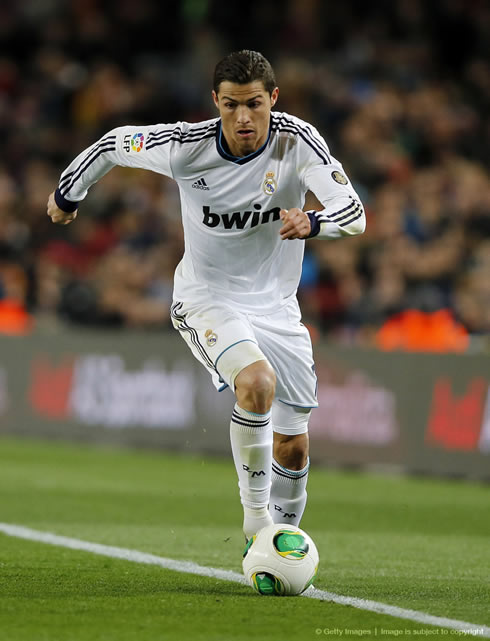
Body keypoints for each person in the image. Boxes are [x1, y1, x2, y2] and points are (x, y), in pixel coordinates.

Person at [47, 50, 365, 540]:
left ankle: (278, 549)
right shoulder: (184, 146)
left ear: (273, 99)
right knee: (256, 383)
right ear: (214, 101)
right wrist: (69, 194)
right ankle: (257, 524)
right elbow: (113, 144)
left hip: (277, 308)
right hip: (207, 297)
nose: (243, 117)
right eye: (231, 104)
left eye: (255, 104)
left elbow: (354, 211)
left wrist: (314, 221)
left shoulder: (297, 142)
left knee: (295, 448)